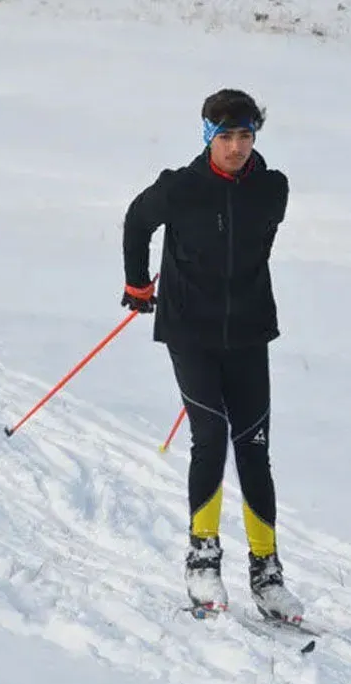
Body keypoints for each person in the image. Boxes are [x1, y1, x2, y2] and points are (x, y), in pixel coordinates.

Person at [121, 88, 303, 622]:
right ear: (207, 136)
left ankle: (267, 574)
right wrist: (138, 285)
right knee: (213, 435)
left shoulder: (273, 190)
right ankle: (203, 560)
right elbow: (137, 221)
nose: (237, 147)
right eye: (226, 137)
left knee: (255, 444)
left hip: (248, 332)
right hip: (191, 331)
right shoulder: (180, 188)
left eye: (246, 136)